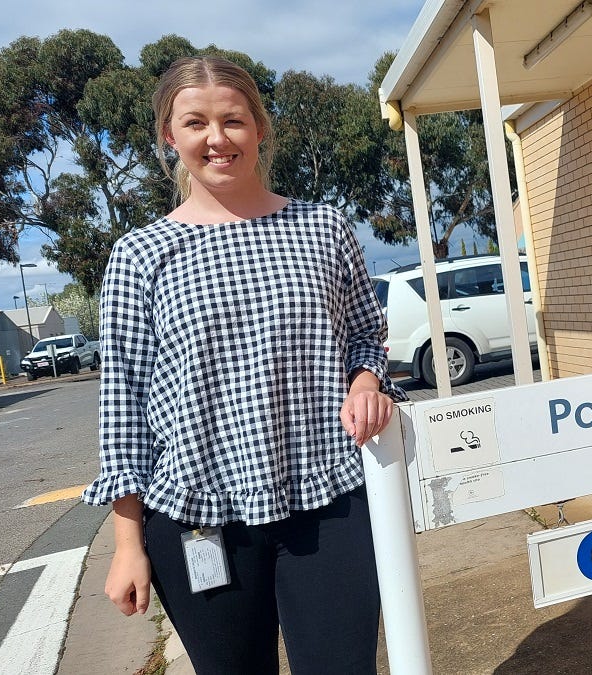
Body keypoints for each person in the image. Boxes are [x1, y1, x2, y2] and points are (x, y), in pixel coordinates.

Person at [82, 55, 406, 674]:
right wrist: (127, 545)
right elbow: (123, 408)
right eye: (195, 123)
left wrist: (366, 381)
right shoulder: (140, 254)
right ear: (169, 136)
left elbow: (366, 333)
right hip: (200, 520)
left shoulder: (323, 228)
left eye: (232, 120)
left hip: (328, 500)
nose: (217, 138)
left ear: (259, 127)